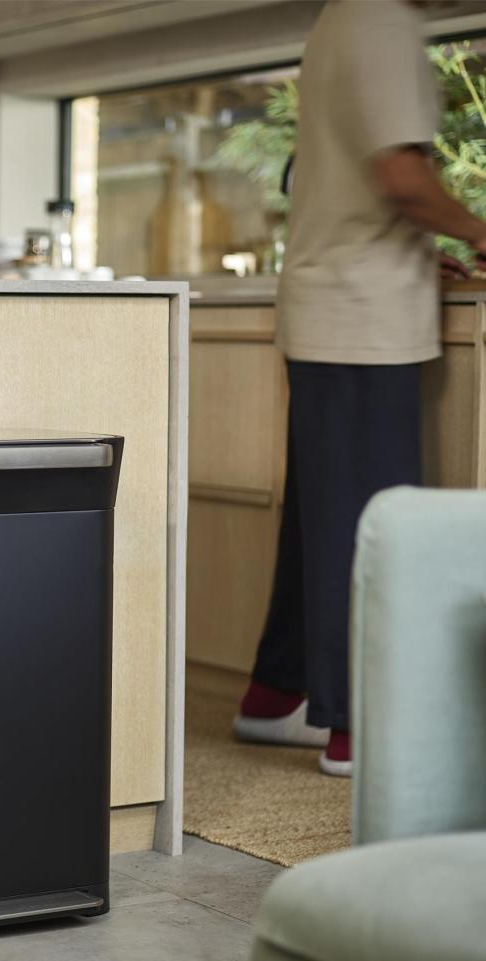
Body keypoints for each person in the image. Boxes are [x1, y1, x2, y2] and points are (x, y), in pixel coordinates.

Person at [232, 0, 486, 776]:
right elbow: (402, 177)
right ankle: (359, 727)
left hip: (339, 302)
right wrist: (479, 229)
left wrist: (419, 251)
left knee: (323, 520)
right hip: (361, 320)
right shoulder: (382, 20)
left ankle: (275, 694)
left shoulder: (341, 19)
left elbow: (354, 183)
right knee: (368, 529)